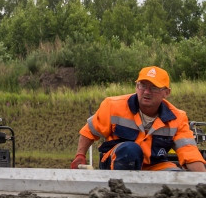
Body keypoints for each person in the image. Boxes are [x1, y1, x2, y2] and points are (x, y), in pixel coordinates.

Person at [71, 66, 206, 172]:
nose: (147, 92)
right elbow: (89, 131)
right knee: (130, 150)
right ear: (136, 87)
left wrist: (201, 181)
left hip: (156, 166)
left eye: (154, 88)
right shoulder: (113, 105)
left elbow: (190, 153)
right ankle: (120, 194)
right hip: (115, 164)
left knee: (178, 179)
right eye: (142, 85)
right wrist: (80, 156)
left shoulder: (177, 118)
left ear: (167, 93)